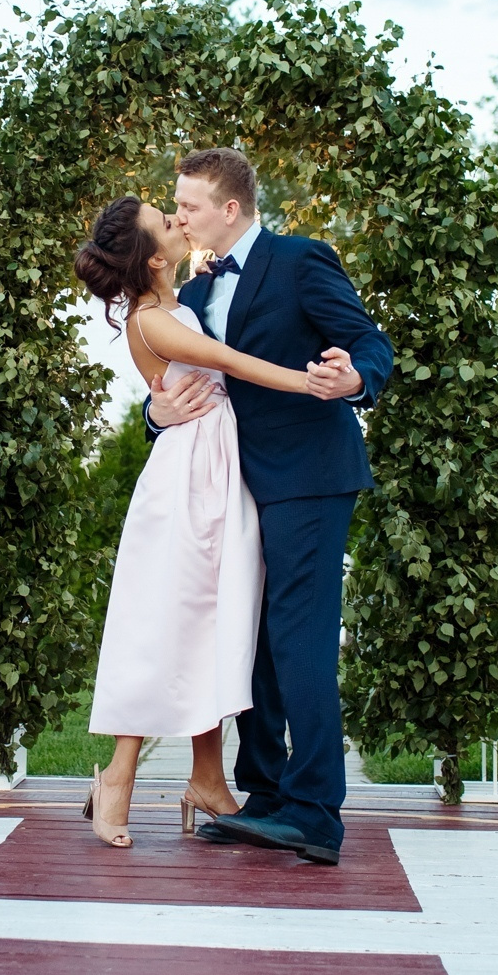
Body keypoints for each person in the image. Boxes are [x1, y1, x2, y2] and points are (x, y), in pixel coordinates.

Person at [145, 148, 392, 866]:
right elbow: (172, 391)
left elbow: (371, 344)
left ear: (229, 208)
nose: (178, 214)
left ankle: (315, 813)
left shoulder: (302, 259)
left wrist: (353, 380)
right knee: (246, 639)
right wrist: (158, 413)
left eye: (187, 205)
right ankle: (266, 796)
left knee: (299, 637)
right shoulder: (189, 296)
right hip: (230, 488)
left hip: (310, 476)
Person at [73, 193, 331, 848]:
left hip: (218, 468)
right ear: (155, 254)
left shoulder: (182, 298)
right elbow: (231, 364)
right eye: (167, 219)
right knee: (167, 621)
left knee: (211, 620)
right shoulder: (154, 318)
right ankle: (119, 778)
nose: (179, 220)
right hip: (188, 478)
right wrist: (311, 383)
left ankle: (208, 776)